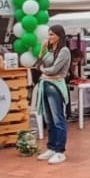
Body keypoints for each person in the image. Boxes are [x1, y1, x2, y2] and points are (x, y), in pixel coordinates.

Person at [36, 25, 71, 164]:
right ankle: (51, 146)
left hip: (55, 86)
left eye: (51, 35)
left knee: (58, 118)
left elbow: (55, 69)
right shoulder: (50, 51)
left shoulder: (64, 51)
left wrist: (44, 71)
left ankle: (60, 150)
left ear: (59, 36)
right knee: (49, 119)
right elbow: (38, 64)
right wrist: (42, 51)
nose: (49, 37)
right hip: (45, 85)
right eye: (48, 34)